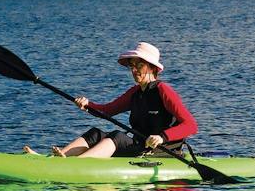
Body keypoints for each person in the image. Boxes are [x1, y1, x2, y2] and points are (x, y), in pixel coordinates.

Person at [34, 42, 197, 158]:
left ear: (152, 68)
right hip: (139, 146)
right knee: (96, 133)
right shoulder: (135, 92)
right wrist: (87, 104)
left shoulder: (163, 90)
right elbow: (106, 111)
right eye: (131, 66)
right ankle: (59, 158)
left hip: (160, 151)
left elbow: (191, 125)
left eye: (139, 66)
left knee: (117, 136)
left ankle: (76, 165)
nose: (134, 70)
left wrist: (162, 137)